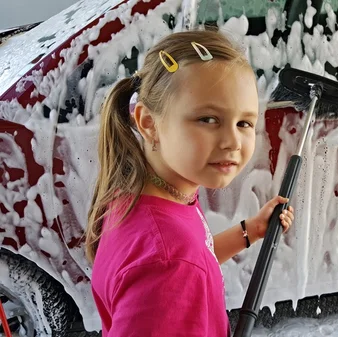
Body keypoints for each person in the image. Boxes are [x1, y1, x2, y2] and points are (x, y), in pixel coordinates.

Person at [84, 29, 295, 337]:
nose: (233, 141)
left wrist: (251, 230)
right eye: (208, 119)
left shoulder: (142, 194)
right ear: (148, 123)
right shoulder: (169, 261)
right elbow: (179, 261)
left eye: (244, 123)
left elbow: (197, 257)